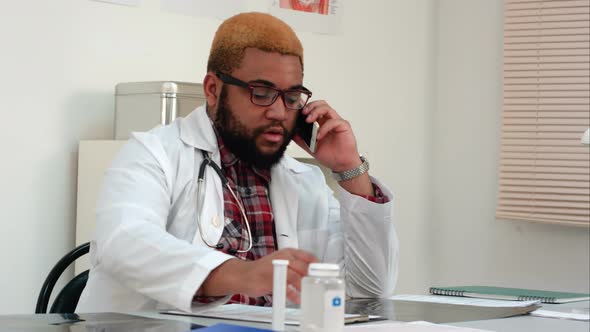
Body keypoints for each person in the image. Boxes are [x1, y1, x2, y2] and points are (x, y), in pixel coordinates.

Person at [76, 12, 398, 313]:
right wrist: (244, 275)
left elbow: (368, 291)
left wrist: (349, 169)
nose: (278, 113)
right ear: (213, 89)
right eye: (261, 92)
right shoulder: (154, 154)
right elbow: (124, 243)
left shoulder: (305, 182)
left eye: (291, 97)